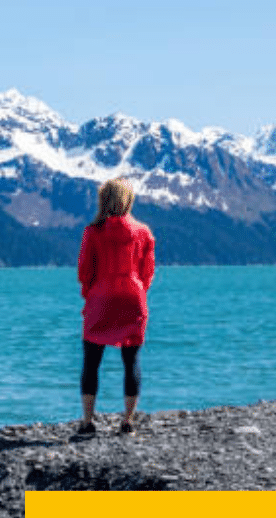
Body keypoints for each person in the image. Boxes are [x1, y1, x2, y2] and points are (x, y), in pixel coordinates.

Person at [76, 178, 155, 435]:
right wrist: (139, 292)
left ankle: (88, 423)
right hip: (133, 296)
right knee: (131, 360)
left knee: (91, 361)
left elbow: (85, 270)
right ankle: (128, 421)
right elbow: (147, 271)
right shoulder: (143, 232)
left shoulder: (93, 231)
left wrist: (89, 295)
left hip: (101, 296)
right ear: (128, 200)